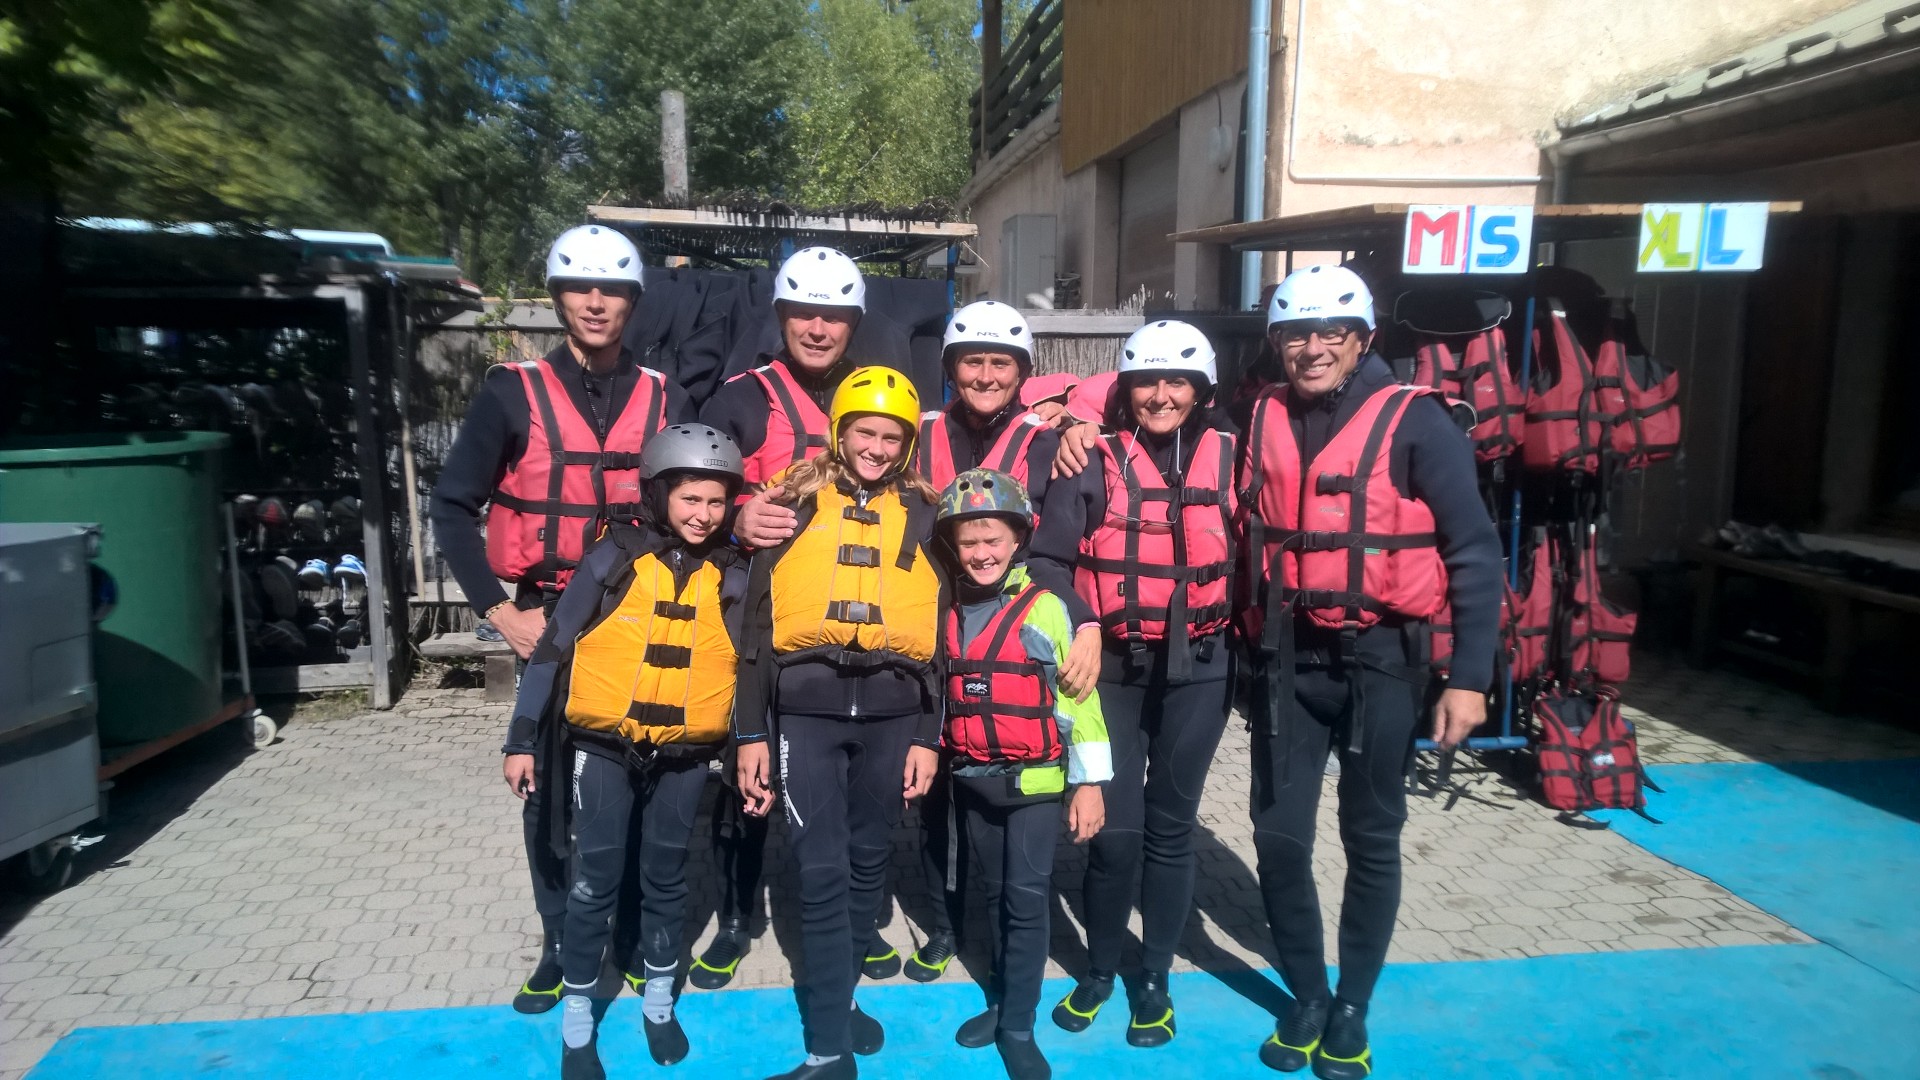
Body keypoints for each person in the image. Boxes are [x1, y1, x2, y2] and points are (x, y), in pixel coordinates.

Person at [1241, 265, 1501, 1078]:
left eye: (1331, 333)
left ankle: (1352, 1005)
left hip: (1384, 660)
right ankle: (1307, 992)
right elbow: (1148, 405)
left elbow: (1474, 550)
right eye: (1296, 334)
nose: (1312, 349)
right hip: (1289, 658)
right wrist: (1061, 416)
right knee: (1278, 837)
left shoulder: (1417, 420)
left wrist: (1470, 677)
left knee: (1371, 834)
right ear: (1277, 343)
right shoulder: (1261, 412)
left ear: (1362, 341)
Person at [429, 224, 689, 1013]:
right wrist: (499, 611)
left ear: (633, 302)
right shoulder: (512, 392)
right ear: (558, 298)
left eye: (612, 290)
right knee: (547, 792)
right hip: (547, 622)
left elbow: (696, 505)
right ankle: (557, 944)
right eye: (580, 288)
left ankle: (633, 938)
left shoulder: (664, 395)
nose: (596, 302)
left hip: (638, 622)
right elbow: (452, 506)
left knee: (639, 776)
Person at [501, 424, 748, 1079]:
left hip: (685, 758)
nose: (704, 514)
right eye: (690, 499)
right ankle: (578, 1023)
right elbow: (551, 650)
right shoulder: (613, 557)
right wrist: (521, 739)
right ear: (660, 494)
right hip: (603, 750)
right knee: (594, 881)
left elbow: (749, 672)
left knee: (667, 879)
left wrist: (750, 751)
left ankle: (659, 1005)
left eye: (717, 502)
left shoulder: (733, 573)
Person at [691, 246, 907, 986]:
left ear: (853, 324)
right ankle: (735, 919)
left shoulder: (877, 400)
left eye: (834, 316)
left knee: (849, 789)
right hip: (754, 617)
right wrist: (735, 518)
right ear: (781, 317)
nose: (818, 328)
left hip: (846, 629)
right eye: (804, 314)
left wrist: (1060, 406)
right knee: (741, 778)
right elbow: (691, 499)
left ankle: (858, 921)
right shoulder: (739, 401)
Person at [1031, 319, 1241, 1048]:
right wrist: (1083, 621)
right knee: (1113, 835)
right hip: (1112, 669)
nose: (1160, 395)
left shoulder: (1232, 456)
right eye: (1146, 381)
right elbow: (1048, 560)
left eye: (1177, 381)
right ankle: (1099, 969)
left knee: (1170, 829)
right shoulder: (1090, 457)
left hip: (1199, 667)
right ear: (1126, 389)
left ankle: (1154, 977)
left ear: (1201, 390)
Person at [733, 366, 943, 1080]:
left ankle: (840, 1001)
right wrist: (751, 733)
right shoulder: (792, 502)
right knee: (821, 873)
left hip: (894, 716)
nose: (877, 449)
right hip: (806, 714)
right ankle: (828, 1053)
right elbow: (754, 628)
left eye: (892, 438)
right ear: (838, 432)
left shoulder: (927, 514)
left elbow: (943, 633)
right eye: (864, 433)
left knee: (867, 867)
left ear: (908, 445)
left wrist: (927, 736)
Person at [903, 300, 1096, 984]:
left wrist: (1084, 620)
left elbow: (1057, 556)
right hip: (932, 631)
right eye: (972, 362)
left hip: (1009, 636)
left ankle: (1004, 931)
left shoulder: (1049, 445)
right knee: (934, 796)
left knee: (992, 780)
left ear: (1022, 372)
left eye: (1001, 363)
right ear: (950, 367)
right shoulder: (916, 436)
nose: (985, 376)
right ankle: (944, 925)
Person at [934, 468, 1110, 1080]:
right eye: (969, 542)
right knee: (992, 895)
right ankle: (1002, 998)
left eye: (994, 540)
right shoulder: (948, 610)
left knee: (1025, 901)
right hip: (974, 780)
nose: (982, 553)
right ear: (953, 547)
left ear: (1017, 541)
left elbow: (1081, 703)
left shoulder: (1047, 609)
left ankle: (1018, 1025)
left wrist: (1088, 784)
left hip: (1034, 786)